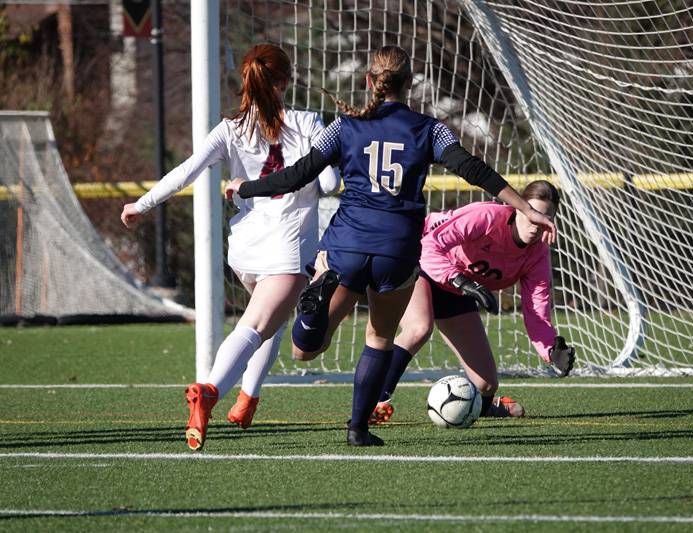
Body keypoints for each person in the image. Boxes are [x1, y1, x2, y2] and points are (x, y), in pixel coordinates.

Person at [226, 45, 556, 447]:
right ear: (410, 83)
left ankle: (312, 314)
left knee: (303, 351)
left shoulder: (345, 127)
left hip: (348, 242)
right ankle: (357, 429)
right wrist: (526, 207)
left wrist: (246, 187)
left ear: (370, 82)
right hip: (397, 249)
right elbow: (473, 168)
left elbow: (296, 175)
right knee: (379, 338)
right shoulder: (429, 129)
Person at [120, 44, 339, 451]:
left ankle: (248, 399)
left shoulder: (230, 128)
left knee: (269, 322)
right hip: (288, 247)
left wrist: (142, 204)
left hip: (245, 247)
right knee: (256, 326)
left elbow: (187, 171)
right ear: (285, 82)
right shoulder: (308, 122)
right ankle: (210, 390)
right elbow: (329, 186)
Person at [368, 180, 576, 425]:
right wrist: (459, 281)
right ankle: (372, 403)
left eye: (545, 217)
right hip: (416, 261)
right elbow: (428, 247)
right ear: (519, 207)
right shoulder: (486, 216)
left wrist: (551, 350)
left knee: (486, 384)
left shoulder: (537, 254)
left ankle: (482, 408)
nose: (536, 224)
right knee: (419, 328)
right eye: (532, 213)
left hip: (456, 287)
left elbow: (536, 311)